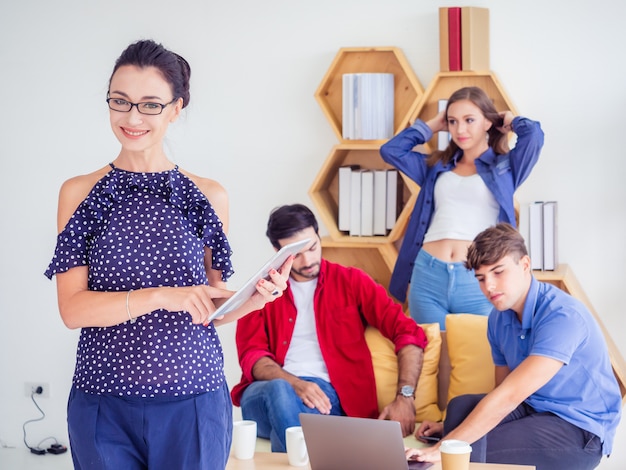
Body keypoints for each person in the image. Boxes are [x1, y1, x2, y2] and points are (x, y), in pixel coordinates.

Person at [44, 39, 292, 470]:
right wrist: (161, 295)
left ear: (176, 109)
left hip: (195, 404)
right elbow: (72, 309)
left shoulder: (208, 196)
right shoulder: (79, 192)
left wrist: (254, 299)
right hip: (103, 404)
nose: (132, 117)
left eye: (150, 105)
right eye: (120, 101)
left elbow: (207, 306)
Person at [407, 223, 622, 470]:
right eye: (481, 278)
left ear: (525, 265)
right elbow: (501, 388)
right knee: (460, 407)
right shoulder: (498, 319)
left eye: (498, 272)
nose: (489, 287)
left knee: (469, 447)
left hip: (579, 428)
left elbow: (510, 396)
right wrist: (449, 430)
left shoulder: (562, 316)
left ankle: (441, 458)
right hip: (534, 407)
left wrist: (443, 447)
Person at [230, 203, 428, 452]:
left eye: (313, 247)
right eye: (297, 254)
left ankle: (293, 454)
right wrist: (294, 383)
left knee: (289, 419)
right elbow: (252, 356)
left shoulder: (352, 281)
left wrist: (405, 396)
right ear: (276, 251)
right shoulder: (260, 292)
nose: (309, 260)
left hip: (329, 399)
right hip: (265, 395)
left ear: (318, 234)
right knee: (280, 391)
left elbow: (408, 332)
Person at [380, 86, 544, 330]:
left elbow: (534, 137)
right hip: (428, 274)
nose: (460, 129)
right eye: (453, 121)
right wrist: (433, 125)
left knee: (480, 357)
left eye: (469, 120)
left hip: (478, 277)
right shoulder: (436, 166)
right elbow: (390, 151)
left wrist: (510, 120)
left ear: (488, 122)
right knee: (429, 357)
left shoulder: (505, 168)